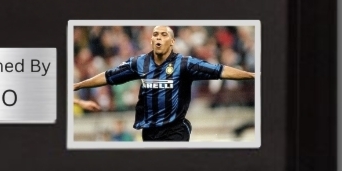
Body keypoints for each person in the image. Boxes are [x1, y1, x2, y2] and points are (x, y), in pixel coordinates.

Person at [72, 25, 255, 142]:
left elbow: (221, 71)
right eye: (156, 34)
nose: (159, 37)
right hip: (149, 131)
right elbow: (108, 76)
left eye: (164, 35)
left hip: (176, 130)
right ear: (151, 40)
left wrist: (252, 75)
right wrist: (79, 85)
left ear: (172, 41)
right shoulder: (139, 63)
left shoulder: (185, 64)